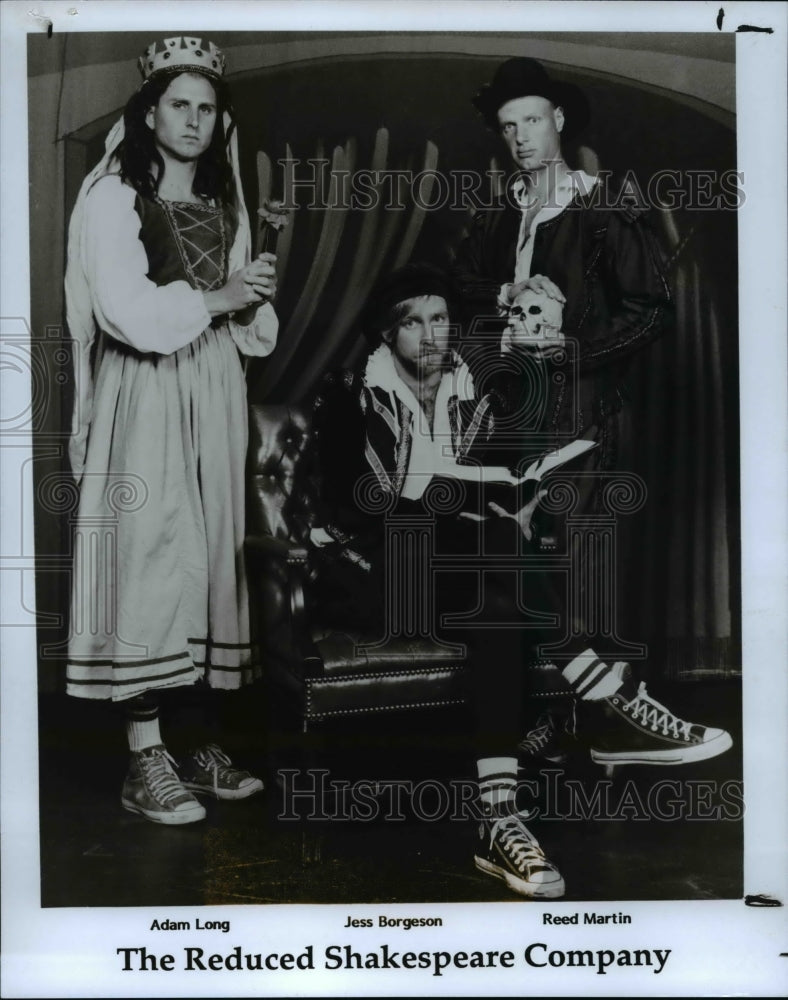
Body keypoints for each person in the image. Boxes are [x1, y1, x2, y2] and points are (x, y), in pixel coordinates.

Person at [310, 264, 731, 900]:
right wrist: (442, 502)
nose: (430, 334)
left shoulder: (474, 392)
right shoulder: (352, 396)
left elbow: (507, 477)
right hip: (376, 577)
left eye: (440, 319)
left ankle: (498, 818)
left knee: (499, 601)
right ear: (388, 332)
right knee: (488, 548)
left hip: (465, 580)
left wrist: (512, 496)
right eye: (413, 321)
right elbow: (352, 507)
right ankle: (612, 700)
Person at [65, 37, 279, 825]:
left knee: (209, 555)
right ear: (150, 113)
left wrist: (251, 299)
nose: (194, 119)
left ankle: (193, 740)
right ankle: (142, 756)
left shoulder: (226, 203)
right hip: (148, 386)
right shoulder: (113, 198)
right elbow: (125, 311)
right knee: (151, 555)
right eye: (179, 104)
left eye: (207, 106)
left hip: (213, 383)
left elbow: (247, 322)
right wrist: (223, 298)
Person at [452, 57, 691, 762]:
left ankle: (607, 722)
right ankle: (540, 717)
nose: (520, 136)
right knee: (520, 567)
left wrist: (575, 345)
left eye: (531, 120)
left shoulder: (602, 206)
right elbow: (462, 287)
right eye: (507, 126)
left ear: (557, 121)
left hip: (588, 416)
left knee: (583, 565)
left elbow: (652, 313)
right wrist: (499, 304)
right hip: (514, 417)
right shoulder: (504, 210)